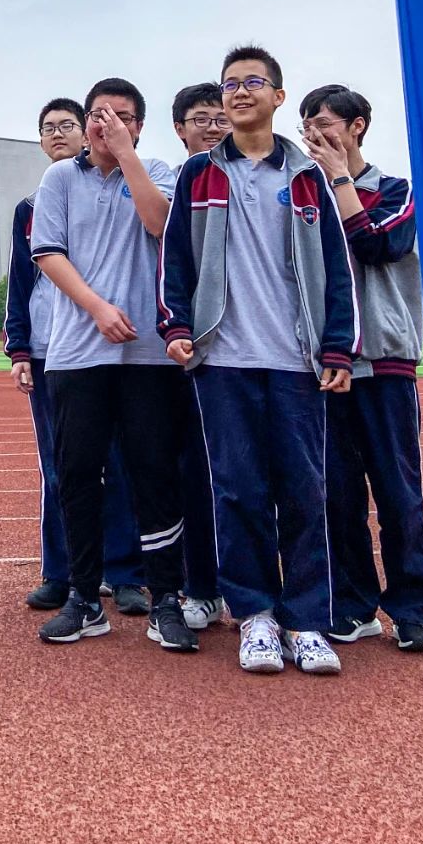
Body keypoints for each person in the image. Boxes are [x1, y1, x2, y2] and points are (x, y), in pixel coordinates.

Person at [158, 46, 359, 676]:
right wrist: (177, 326)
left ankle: (307, 621)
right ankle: (256, 616)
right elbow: (176, 259)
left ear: (277, 96)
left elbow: (337, 267)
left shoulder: (306, 177)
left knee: (304, 491)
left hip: (296, 360)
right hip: (224, 359)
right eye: (230, 85)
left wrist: (337, 345)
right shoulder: (199, 176)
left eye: (253, 82)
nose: (239, 92)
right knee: (238, 489)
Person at [31, 79, 197, 653]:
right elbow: (48, 253)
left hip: (148, 352)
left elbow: (161, 225)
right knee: (78, 472)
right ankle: (83, 596)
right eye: (98, 115)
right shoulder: (60, 178)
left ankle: (166, 598)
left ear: (139, 125)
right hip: (76, 351)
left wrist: (127, 157)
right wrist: (97, 308)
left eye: (120, 116)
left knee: (155, 473)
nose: (106, 124)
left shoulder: (158, 170)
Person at [300, 84, 423, 652]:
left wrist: (339, 178)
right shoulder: (302, 194)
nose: (315, 133)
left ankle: (412, 608)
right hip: (325, 363)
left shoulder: (395, 189)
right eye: (307, 124)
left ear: (357, 126)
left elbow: (377, 246)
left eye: (325, 122)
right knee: (336, 495)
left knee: (398, 491)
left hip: (384, 358)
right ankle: (354, 605)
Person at [3, 97, 145, 616]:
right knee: (59, 466)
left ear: (87, 133)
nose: (57, 133)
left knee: (120, 462)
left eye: (67, 125)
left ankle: (125, 573)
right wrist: (19, 347)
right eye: (48, 128)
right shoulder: (29, 207)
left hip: (115, 345)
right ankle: (61, 572)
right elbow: (21, 282)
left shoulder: (119, 187)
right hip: (52, 350)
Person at [167, 84, 229, 631]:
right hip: (196, 352)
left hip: (264, 351)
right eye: (201, 118)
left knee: (261, 477)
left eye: (220, 117)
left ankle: (261, 593)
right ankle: (203, 586)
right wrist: (179, 326)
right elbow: (175, 260)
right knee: (194, 471)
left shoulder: (272, 174)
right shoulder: (183, 180)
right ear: (180, 129)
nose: (213, 126)